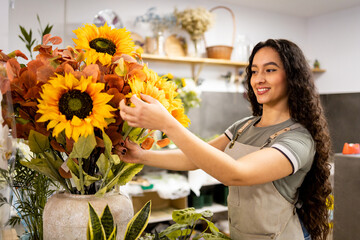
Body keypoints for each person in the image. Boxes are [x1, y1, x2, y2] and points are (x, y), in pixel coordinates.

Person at [117, 39, 332, 240]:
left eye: (270, 70)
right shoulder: (244, 126)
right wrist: (142, 156)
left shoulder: (298, 139)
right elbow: (194, 159)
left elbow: (236, 174)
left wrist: (168, 124)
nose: (259, 79)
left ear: (292, 77)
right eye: (254, 71)